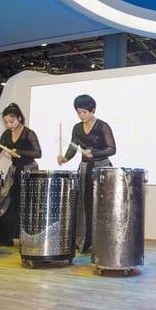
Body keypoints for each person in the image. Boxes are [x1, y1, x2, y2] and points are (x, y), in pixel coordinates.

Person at [57, 94, 116, 253]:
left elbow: (112, 149)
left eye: (84, 112)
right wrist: (65, 158)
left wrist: (94, 153)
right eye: (79, 112)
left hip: (101, 169)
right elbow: (73, 147)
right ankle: (84, 240)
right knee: (84, 204)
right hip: (84, 169)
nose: (81, 115)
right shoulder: (77, 127)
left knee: (101, 204)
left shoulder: (102, 126)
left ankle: (101, 241)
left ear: (93, 110)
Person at [0, 103, 42, 246]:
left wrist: (19, 152)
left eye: (11, 121)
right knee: (6, 201)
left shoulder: (29, 133)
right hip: (14, 171)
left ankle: (27, 236)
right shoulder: (7, 134)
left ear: (19, 118)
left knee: (27, 203)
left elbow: (38, 153)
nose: (9, 125)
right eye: (6, 122)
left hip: (29, 171)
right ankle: (5, 237)